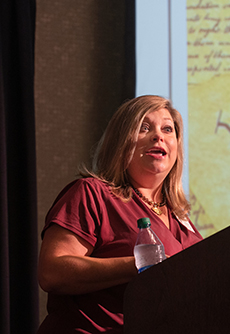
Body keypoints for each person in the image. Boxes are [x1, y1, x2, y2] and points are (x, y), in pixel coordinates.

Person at [37, 95, 203, 333]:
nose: (159, 136)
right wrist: (138, 265)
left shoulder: (179, 216)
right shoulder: (92, 194)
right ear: (121, 141)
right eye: (144, 128)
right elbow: (52, 272)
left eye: (168, 129)